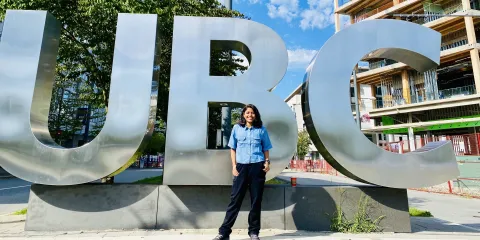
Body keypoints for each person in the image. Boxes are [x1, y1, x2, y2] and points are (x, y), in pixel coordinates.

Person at [213, 104, 272, 240]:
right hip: (241, 167)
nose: (250, 115)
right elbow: (232, 148)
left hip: (257, 167)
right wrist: (234, 166)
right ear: (243, 115)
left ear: (255, 115)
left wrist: (267, 162)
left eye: (252, 113)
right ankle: (224, 232)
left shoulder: (261, 130)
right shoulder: (237, 128)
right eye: (247, 113)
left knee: (256, 201)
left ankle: (254, 232)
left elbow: (266, 148)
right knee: (235, 200)